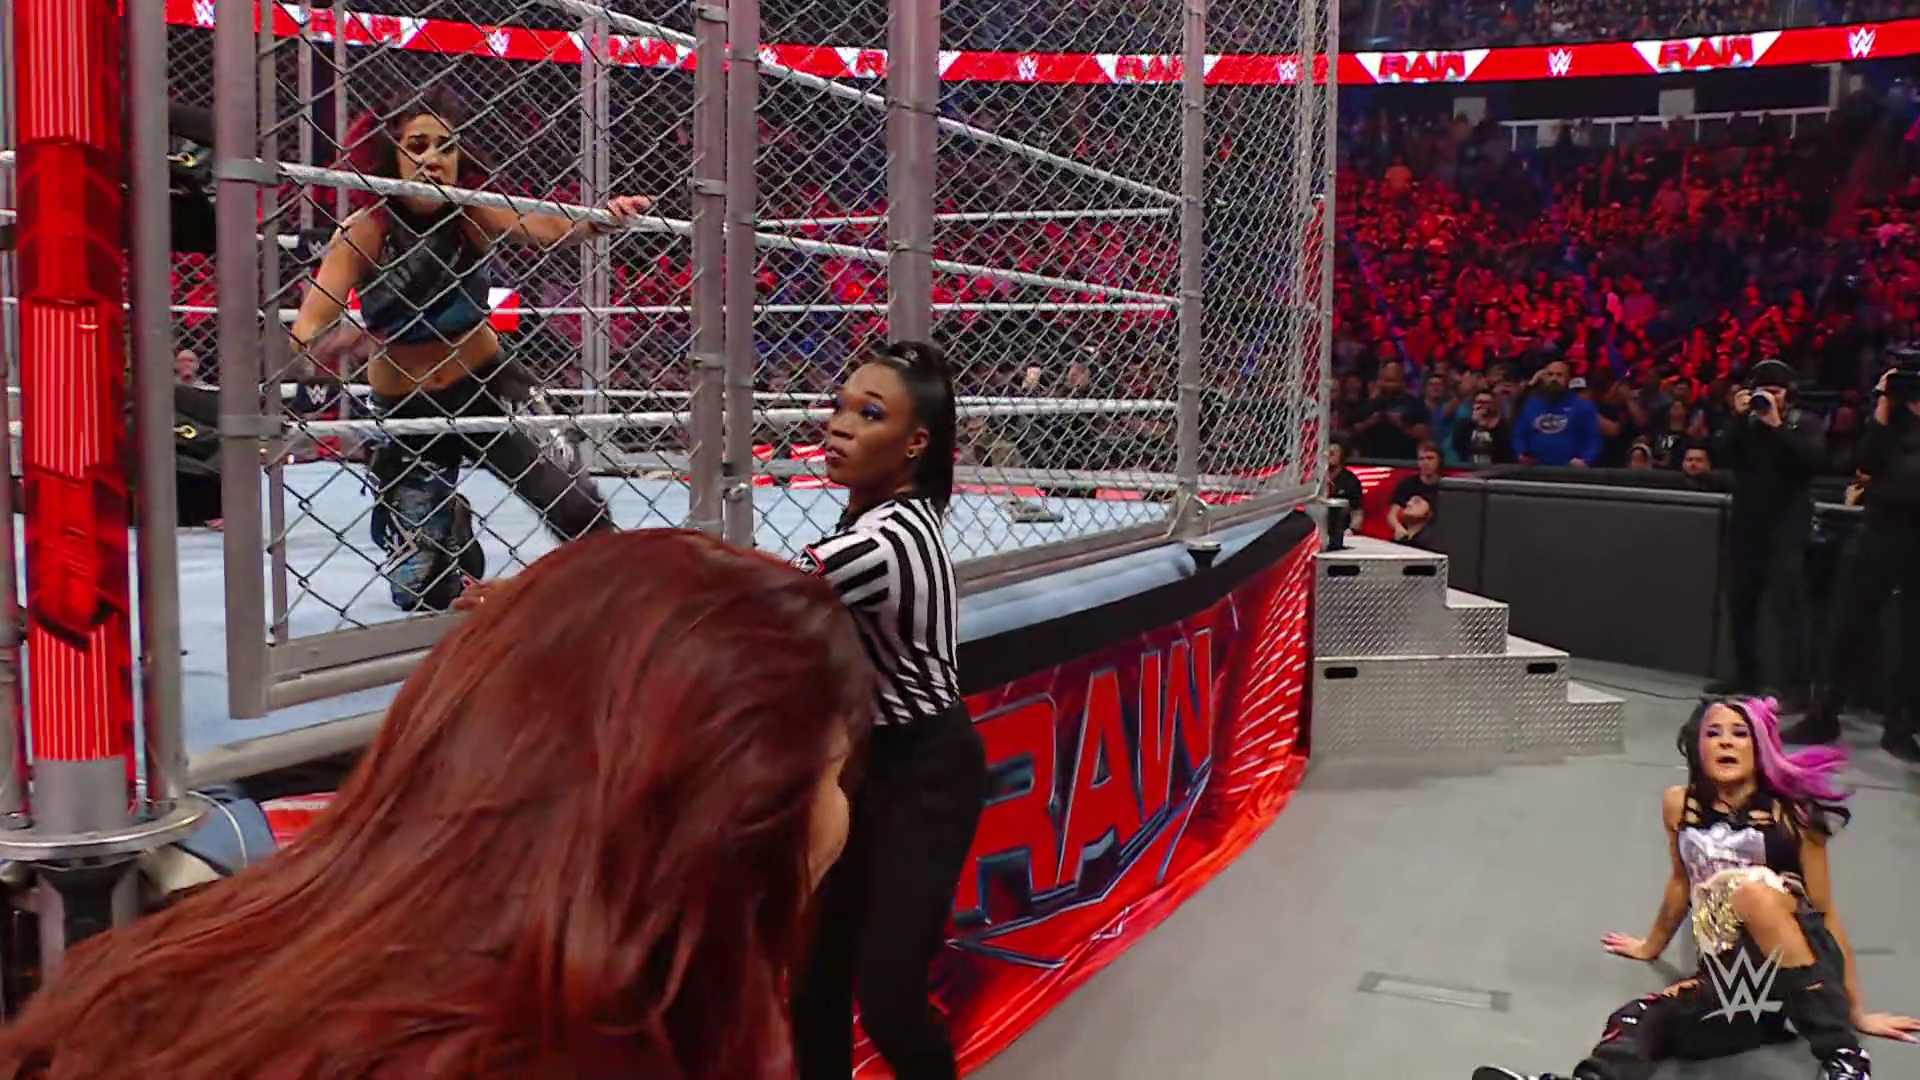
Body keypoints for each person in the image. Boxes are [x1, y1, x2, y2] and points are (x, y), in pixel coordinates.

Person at [0, 530, 872, 1077]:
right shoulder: (570, 1045)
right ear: (732, 804)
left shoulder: (165, 976)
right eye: (832, 771)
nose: (843, 811)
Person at [288, 87, 649, 613]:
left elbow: (543, 226)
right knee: (423, 591)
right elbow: (308, 325)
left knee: (577, 509)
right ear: (391, 157)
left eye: (446, 147)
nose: (434, 159)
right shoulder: (366, 231)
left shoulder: (472, 213)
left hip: (488, 386)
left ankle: (591, 596)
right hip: (407, 410)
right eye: (417, 146)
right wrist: (334, 341)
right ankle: (446, 529)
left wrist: (601, 218)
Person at [1473, 698, 1919, 1080]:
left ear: (1760, 745)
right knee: (1638, 1016)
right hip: (1735, 982)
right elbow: (1681, 880)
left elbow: (1826, 913)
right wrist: (1651, 946)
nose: (1726, 742)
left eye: (1739, 733)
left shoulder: (1795, 815)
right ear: (1698, 746)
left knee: (1752, 893)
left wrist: (1854, 1012)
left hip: (1800, 968)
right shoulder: (1679, 804)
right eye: (1713, 733)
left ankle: (1845, 1060)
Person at [790, 340, 987, 1080]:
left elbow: (744, 597)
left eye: (869, 415)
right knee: (816, 978)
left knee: (889, 998)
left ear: (914, 444)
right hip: (875, 763)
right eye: (840, 407)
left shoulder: (884, 543)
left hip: (923, 771)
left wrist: (564, 597)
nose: (840, 425)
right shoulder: (888, 520)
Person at [1787, 361, 1920, 762]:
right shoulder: (1890, 425)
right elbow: (1865, 461)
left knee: (1911, 634)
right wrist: (1883, 404)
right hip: (1878, 531)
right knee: (1846, 623)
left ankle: (1900, 726)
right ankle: (1824, 714)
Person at [1711, 360, 1823, 705]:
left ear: (1789, 393)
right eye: (1764, 392)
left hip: (1786, 528)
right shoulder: (1746, 426)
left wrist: (1777, 427)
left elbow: (1812, 463)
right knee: (1740, 606)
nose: (1769, 398)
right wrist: (1736, 418)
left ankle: (1795, 689)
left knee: (1789, 612)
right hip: (1746, 526)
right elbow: (1723, 454)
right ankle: (1746, 677)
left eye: (1776, 391)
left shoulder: (1804, 423)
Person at [1514, 359, 1602, 467]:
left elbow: (1594, 439)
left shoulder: (1584, 406)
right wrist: (1521, 453)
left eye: (1559, 375)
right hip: (1536, 468)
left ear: (1569, 380)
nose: (1554, 379)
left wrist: (1586, 460)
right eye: (1550, 374)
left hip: (1570, 470)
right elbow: (1519, 435)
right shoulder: (1531, 405)